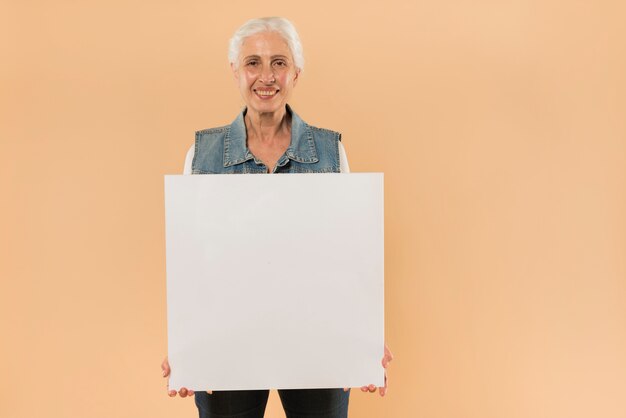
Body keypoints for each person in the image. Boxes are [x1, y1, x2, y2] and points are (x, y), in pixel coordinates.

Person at [161, 17, 393, 418]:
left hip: (316, 339)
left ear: (296, 74)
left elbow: (347, 253)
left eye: (279, 63)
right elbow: (193, 261)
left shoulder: (330, 150)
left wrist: (364, 341)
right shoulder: (203, 154)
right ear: (235, 72)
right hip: (228, 339)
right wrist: (186, 347)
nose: (266, 76)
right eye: (253, 62)